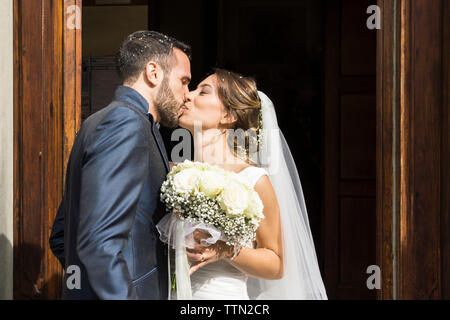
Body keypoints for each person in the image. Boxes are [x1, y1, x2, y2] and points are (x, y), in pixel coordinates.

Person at [49, 30, 191, 299]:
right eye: (183, 81)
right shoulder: (126, 124)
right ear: (153, 72)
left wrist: (83, 288)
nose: (187, 94)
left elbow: (62, 235)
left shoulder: (101, 121)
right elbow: (99, 243)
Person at [176, 69, 328, 299]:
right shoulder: (174, 175)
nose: (188, 95)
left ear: (228, 116)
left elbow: (276, 265)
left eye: (203, 92)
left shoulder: (252, 180)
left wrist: (225, 250)